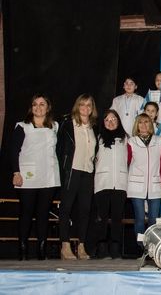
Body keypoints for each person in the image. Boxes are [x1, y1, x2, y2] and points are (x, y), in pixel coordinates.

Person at [11, 95, 60, 260]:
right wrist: (16, 172)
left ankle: (42, 250)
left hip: (49, 176)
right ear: (31, 108)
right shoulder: (22, 126)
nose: (38, 107)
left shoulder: (55, 126)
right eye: (35, 104)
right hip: (28, 176)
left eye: (42, 104)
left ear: (48, 107)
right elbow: (13, 151)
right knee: (26, 212)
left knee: (43, 213)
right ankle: (22, 249)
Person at [56, 94, 99, 260]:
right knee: (66, 208)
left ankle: (81, 245)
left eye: (89, 105)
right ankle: (65, 245)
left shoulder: (94, 127)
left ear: (92, 108)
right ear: (77, 106)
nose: (85, 108)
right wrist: (62, 170)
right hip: (71, 171)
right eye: (82, 104)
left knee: (85, 210)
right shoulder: (67, 124)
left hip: (87, 172)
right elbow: (59, 150)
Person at [91, 110, 128, 259]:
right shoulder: (97, 139)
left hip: (120, 183)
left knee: (117, 218)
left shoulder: (126, 139)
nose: (110, 122)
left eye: (113, 119)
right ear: (103, 123)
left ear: (118, 121)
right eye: (107, 120)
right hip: (102, 182)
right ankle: (101, 247)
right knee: (102, 217)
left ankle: (115, 248)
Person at [127, 113, 161, 243]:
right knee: (139, 218)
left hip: (155, 184)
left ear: (151, 124)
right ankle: (141, 246)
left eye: (146, 122)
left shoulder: (159, 141)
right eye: (140, 122)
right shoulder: (131, 142)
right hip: (136, 185)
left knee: (153, 219)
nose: (143, 125)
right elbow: (127, 163)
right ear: (137, 125)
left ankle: (151, 246)